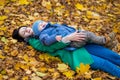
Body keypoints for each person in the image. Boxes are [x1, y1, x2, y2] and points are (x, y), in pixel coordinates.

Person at [12, 26, 120, 78]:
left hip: (80, 42)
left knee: (110, 55)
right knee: (104, 63)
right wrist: (68, 38)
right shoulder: (34, 42)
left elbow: (60, 28)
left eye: (25, 28)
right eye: (24, 32)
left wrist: (75, 32)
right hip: (73, 53)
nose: (27, 30)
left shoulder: (40, 28)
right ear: (25, 39)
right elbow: (49, 48)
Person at [32, 20, 116, 50]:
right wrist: (54, 38)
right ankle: (104, 40)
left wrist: (77, 30)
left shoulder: (55, 25)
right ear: (38, 31)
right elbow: (45, 41)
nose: (42, 24)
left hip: (74, 35)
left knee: (88, 35)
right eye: (39, 25)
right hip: (71, 43)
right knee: (87, 36)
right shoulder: (43, 34)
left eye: (42, 22)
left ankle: (107, 44)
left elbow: (66, 29)